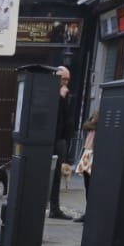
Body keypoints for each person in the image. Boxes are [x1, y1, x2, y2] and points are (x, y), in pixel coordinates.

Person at [48, 65, 76, 221]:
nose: (65, 82)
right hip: (50, 138)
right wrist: (60, 98)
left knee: (57, 175)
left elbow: (67, 117)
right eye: (63, 79)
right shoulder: (52, 92)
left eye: (68, 79)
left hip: (61, 139)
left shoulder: (66, 94)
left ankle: (54, 208)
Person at [71, 114, 96, 223]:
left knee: (91, 185)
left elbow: (91, 125)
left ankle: (91, 213)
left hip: (94, 152)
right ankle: (88, 212)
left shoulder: (101, 114)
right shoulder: (96, 113)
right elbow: (86, 125)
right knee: (87, 184)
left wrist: (93, 123)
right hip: (88, 151)